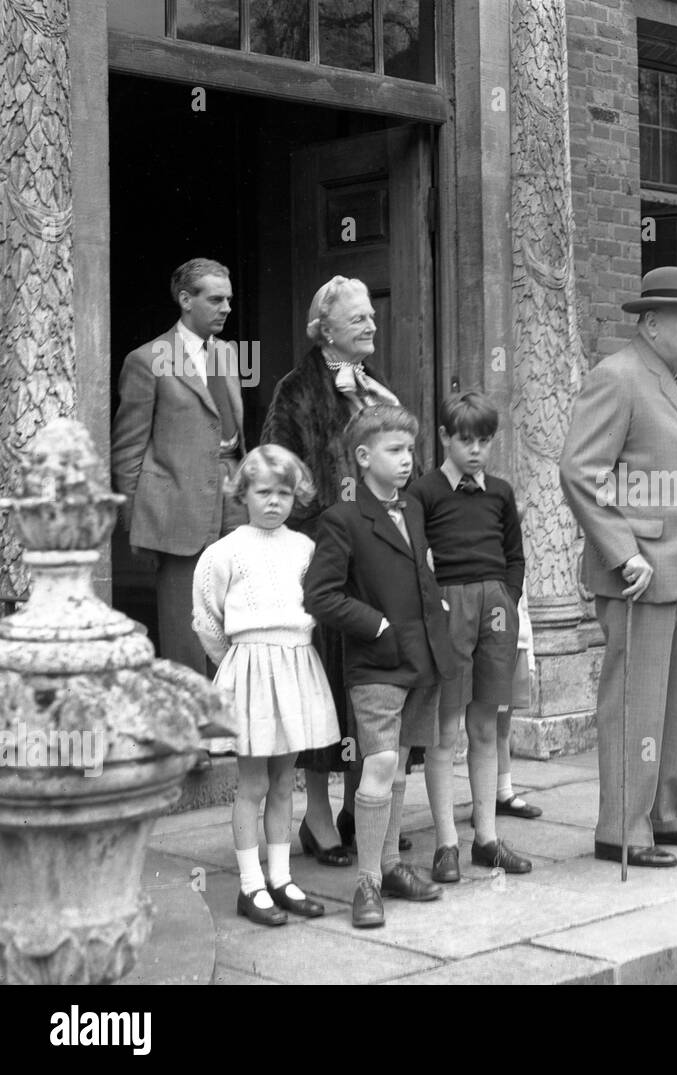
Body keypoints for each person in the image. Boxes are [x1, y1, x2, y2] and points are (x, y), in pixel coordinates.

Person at [559, 266, 677, 868]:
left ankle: (668, 813)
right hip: (643, 570)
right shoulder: (619, 377)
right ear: (651, 323)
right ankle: (622, 830)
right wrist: (623, 550)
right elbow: (582, 471)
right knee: (636, 701)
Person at [260, 275, 407, 867]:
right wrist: (325, 522)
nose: (371, 325)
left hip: (378, 555)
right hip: (325, 557)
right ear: (325, 329)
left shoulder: (375, 388)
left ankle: (359, 809)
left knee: (366, 685)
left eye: (372, 315)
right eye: (357, 319)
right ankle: (317, 818)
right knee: (321, 685)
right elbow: (277, 466)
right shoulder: (296, 390)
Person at [303, 404, 457, 928]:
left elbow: (418, 572)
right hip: (376, 664)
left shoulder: (412, 508)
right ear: (364, 457)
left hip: (423, 657)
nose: (407, 460)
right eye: (395, 450)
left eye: (410, 450)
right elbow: (320, 597)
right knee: (380, 765)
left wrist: (437, 610)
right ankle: (367, 882)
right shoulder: (342, 517)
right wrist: (377, 626)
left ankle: (391, 865)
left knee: (401, 766)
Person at [191, 446, 339, 927]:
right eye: (263, 492)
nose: (274, 502)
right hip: (250, 670)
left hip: (296, 666)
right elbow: (208, 623)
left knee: (284, 781)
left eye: (284, 492)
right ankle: (250, 884)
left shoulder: (304, 549)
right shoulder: (224, 553)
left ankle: (281, 877)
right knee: (252, 782)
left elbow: (316, 604)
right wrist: (237, 666)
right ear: (244, 493)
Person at [407, 391, 532, 881]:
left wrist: (508, 594)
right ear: (443, 437)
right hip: (450, 603)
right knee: (444, 730)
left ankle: (486, 837)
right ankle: (446, 844)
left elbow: (514, 552)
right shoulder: (424, 491)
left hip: (494, 606)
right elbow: (416, 557)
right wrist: (436, 604)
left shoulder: (499, 492)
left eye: (484, 440)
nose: (476, 450)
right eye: (465, 440)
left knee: (486, 724)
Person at [111, 257, 246, 676]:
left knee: (236, 626)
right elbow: (128, 449)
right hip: (176, 517)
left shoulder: (227, 354)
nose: (225, 308)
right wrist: (137, 524)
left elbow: (235, 439)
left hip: (233, 511)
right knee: (184, 637)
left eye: (229, 300)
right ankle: (189, 738)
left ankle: (232, 733)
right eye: (215, 299)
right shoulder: (147, 359)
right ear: (185, 300)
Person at [495, 588, 542, 820]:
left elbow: (523, 608)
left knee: (502, 728)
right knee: (486, 728)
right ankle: (484, 798)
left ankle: (503, 792)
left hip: (518, 646)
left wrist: (530, 659)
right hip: (496, 647)